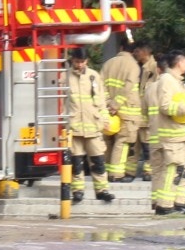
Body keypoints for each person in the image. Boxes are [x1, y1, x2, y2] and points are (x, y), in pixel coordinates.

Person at [149, 51, 185, 214]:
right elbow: (165, 106)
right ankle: (164, 205)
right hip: (172, 135)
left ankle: (180, 203)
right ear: (180, 63)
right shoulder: (166, 80)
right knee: (173, 169)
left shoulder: (181, 83)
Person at [64, 44, 113, 203]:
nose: (80, 65)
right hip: (74, 126)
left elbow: (101, 101)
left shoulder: (94, 76)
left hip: (93, 126)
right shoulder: (64, 77)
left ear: (87, 61)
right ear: (72, 60)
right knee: (76, 163)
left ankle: (102, 190)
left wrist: (105, 119)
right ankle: (77, 191)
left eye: (82, 61)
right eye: (77, 61)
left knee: (98, 160)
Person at [102, 39, 147, 185]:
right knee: (123, 141)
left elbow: (100, 86)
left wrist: (109, 103)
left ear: (120, 47)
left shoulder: (108, 64)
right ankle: (116, 174)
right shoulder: (134, 66)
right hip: (128, 110)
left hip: (108, 111)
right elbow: (128, 87)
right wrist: (116, 104)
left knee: (109, 141)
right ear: (133, 51)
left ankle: (108, 172)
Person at [122, 41, 160, 182]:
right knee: (133, 144)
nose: (135, 54)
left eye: (137, 51)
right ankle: (129, 172)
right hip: (135, 112)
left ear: (146, 51)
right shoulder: (137, 67)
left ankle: (149, 171)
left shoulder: (155, 68)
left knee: (147, 144)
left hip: (148, 114)